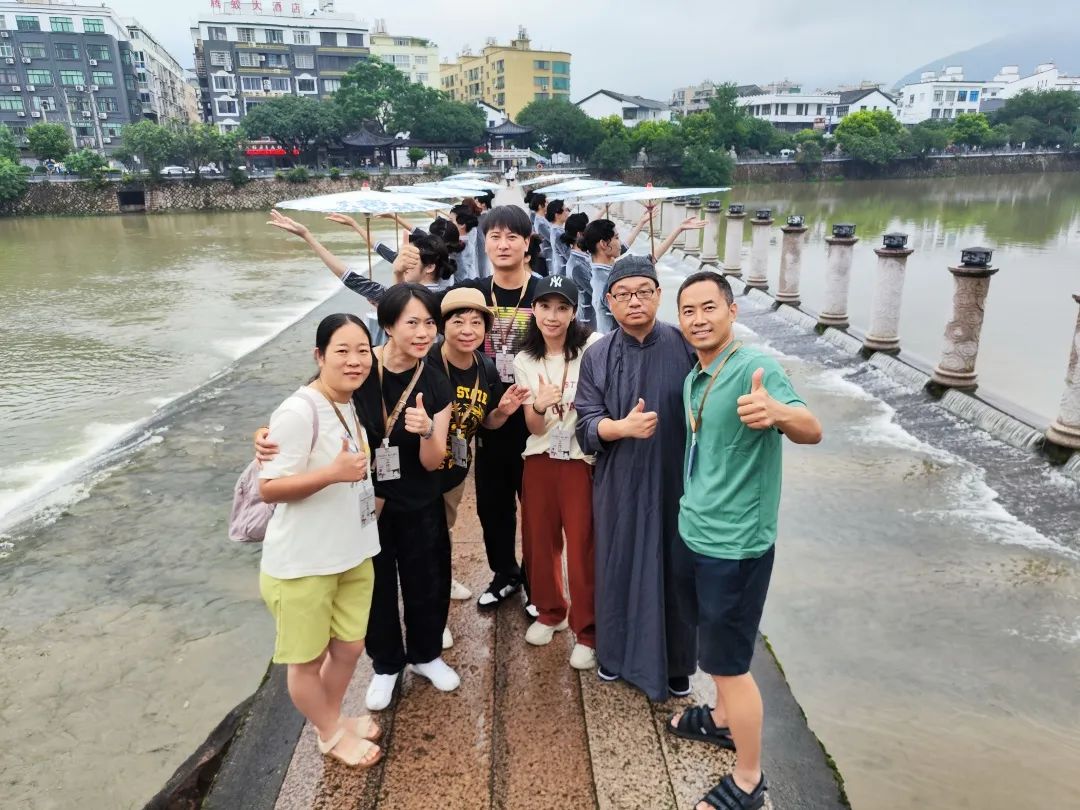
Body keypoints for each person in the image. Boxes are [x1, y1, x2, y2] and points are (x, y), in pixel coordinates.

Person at [667, 271, 821, 810]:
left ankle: (751, 779)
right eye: (688, 311)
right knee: (713, 648)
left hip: (735, 546)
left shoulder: (757, 367)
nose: (698, 319)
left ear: (732, 311)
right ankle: (722, 718)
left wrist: (779, 413)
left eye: (709, 307)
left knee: (731, 664)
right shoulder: (696, 375)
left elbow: (811, 427)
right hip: (695, 530)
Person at [395, 205, 542, 612]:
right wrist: (404, 278)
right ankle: (505, 574)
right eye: (495, 236)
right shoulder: (473, 292)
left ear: (527, 243)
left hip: (535, 418)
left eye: (512, 237)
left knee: (537, 509)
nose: (503, 244)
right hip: (487, 418)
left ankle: (537, 582)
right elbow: (412, 310)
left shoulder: (543, 292)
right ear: (484, 242)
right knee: (494, 507)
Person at [257, 313, 383, 769]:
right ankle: (330, 732)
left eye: (362, 351)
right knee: (306, 662)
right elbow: (268, 488)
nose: (354, 361)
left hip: (351, 550)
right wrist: (331, 474)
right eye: (341, 351)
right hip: (304, 563)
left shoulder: (348, 402)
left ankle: (330, 717)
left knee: (349, 648)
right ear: (319, 356)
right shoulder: (299, 410)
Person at [574, 255, 698, 701]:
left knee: (677, 568)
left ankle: (677, 663)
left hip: (675, 480)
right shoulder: (598, 354)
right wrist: (620, 428)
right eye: (624, 294)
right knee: (618, 564)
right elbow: (585, 424)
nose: (634, 301)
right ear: (609, 301)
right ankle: (615, 655)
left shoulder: (686, 345)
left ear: (659, 295)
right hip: (620, 481)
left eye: (644, 291)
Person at [434, 287, 531, 642]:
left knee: (442, 531)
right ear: (443, 325)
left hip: (455, 469)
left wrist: (502, 411)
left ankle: (441, 582)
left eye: (476, 322)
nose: (467, 330)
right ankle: (430, 622)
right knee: (422, 537)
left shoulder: (484, 366)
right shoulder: (428, 361)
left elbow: (486, 421)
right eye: (458, 321)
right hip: (421, 466)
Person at [513, 277, 600, 670]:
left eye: (562, 308)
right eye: (545, 306)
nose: (553, 316)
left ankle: (588, 631)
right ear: (534, 310)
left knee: (582, 545)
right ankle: (551, 612)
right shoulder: (524, 359)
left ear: (573, 312)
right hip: (540, 458)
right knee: (539, 540)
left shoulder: (592, 346)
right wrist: (540, 405)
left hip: (580, 459)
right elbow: (533, 428)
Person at [581, 212, 699, 333]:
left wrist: (679, 229)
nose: (620, 242)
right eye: (616, 238)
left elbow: (650, 259)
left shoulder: (604, 270)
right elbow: (634, 319)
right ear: (603, 244)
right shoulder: (605, 281)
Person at [561, 213, 594, 328]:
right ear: (579, 234)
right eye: (588, 230)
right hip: (588, 322)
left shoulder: (583, 257)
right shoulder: (577, 266)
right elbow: (596, 291)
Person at [544, 199, 571, 278]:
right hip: (563, 273)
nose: (567, 213)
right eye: (565, 210)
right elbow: (568, 255)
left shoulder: (557, 230)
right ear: (557, 215)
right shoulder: (558, 233)